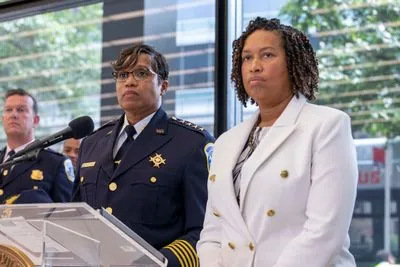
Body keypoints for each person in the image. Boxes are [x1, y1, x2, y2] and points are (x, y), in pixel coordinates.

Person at [197, 17, 358, 266]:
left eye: (267, 55)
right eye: (247, 58)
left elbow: (325, 232)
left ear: (293, 63)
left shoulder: (327, 125)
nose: (254, 66)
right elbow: (213, 232)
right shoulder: (226, 143)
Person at [73, 44, 215, 266]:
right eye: (122, 75)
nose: (129, 82)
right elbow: (76, 218)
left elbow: (205, 230)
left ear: (163, 86)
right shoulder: (92, 143)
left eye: (141, 73)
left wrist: (154, 262)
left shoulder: (191, 143)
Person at [0, 88, 74, 204]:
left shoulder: (55, 163)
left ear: (35, 120)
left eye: (21, 110)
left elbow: (66, 215)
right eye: (8, 110)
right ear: (2, 119)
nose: (13, 115)